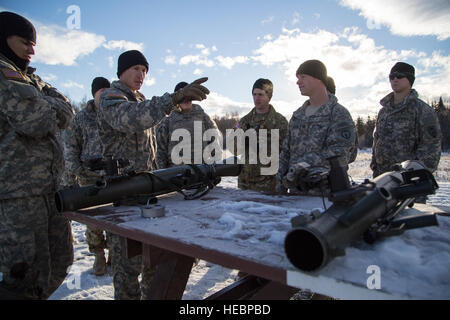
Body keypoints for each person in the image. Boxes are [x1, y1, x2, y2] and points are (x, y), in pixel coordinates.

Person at [97, 50, 209, 300]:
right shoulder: (111, 97)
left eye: (145, 70)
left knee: (153, 266)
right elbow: (132, 119)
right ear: (121, 71)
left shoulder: (141, 100)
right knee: (126, 271)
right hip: (123, 197)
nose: (142, 75)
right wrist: (174, 98)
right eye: (136, 68)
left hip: (147, 194)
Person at [0, 11, 74, 299]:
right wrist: (50, 106)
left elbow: (68, 111)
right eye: (24, 42)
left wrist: (48, 104)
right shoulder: (3, 72)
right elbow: (36, 120)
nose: (31, 50)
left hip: (50, 190)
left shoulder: (30, 79)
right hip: (18, 195)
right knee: (25, 277)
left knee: (60, 262)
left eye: (34, 44)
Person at [277, 60, 357, 195]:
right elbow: (285, 153)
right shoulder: (298, 116)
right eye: (297, 78)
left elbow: (339, 154)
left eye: (303, 77)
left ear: (319, 79)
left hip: (327, 196)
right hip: (296, 195)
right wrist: (280, 188)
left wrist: (303, 165)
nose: (298, 82)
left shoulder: (338, 113)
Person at [63, 76, 111, 276]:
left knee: (116, 218)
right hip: (89, 177)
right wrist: (78, 171)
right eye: (102, 92)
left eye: (108, 92)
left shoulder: (114, 114)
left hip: (112, 176)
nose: (105, 95)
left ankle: (115, 257)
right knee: (93, 223)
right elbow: (71, 147)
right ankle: (98, 255)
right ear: (94, 93)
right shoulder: (81, 117)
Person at [371, 62, 441, 178]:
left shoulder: (423, 110)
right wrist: (374, 166)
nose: (395, 79)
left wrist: (415, 176)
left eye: (399, 76)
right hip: (382, 180)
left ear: (410, 79)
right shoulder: (384, 112)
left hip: (408, 183)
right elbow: (377, 140)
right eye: (391, 77)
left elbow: (431, 147)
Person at [235, 78, 288, 193]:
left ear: (269, 96)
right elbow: (234, 150)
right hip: (245, 183)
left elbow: (286, 152)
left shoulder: (280, 121)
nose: (256, 98)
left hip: (270, 184)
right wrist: (242, 141)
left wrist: (260, 144)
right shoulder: (244, 121)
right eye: (254, 94)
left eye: (261, 94)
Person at [156, 81, 221, 169]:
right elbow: (160, 151)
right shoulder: (167, 120)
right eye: (182, 97)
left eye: (189, 97)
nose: (186, 100)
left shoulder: (203, 117)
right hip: (175, 174)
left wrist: (214, 169)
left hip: (201, 171)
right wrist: (162, 175)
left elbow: (214, 144)